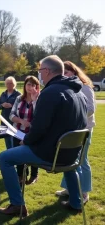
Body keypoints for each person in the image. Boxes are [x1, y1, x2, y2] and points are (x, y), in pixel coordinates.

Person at [0, 55, 87, 217]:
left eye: (40, 70)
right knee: (69, 166)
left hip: (51, 153)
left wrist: (26, 141)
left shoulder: (50, 92)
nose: (39, 74)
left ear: (47, 71)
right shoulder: (79, 92)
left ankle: (17, 205)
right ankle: (76, 203)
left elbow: (39, 128)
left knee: (5, 157)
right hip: (72, 154)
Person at [55, 61, 96, 204]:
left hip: (83, 131)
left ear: (74, 72)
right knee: (70, 160)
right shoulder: (67, 87)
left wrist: (75, 115)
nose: (64, 76)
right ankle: (69, 189)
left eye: (67, 72)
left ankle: (84, 193)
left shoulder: (85, 87)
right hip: (71, 131)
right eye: (63, 73)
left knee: (82, 161)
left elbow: (91, 109)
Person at [9, 76, 40, 185]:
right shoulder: (19, 99)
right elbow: (11, 115)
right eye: (28, 84)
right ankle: (21, 175)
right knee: (18, 155)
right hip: (18, 132)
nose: (30, 87)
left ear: (36, 87)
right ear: (25, 86)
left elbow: (40, 116)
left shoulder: (39, 99)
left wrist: (35, 100)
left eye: (33, 85)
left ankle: (34, 175)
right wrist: (21, 121)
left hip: (32, 133)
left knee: (33, 154)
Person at [0, 76, 21, 149]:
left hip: (14, 120)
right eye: (7, 83)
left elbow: (21, 106)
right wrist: (2, 105)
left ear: (14, 84)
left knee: (14, 139)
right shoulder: (3, 93)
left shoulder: (18, 94)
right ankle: (9, 152)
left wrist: (12, 106)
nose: (9, 85)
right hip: (4, 119)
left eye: (11, 83)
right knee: (7, 138)